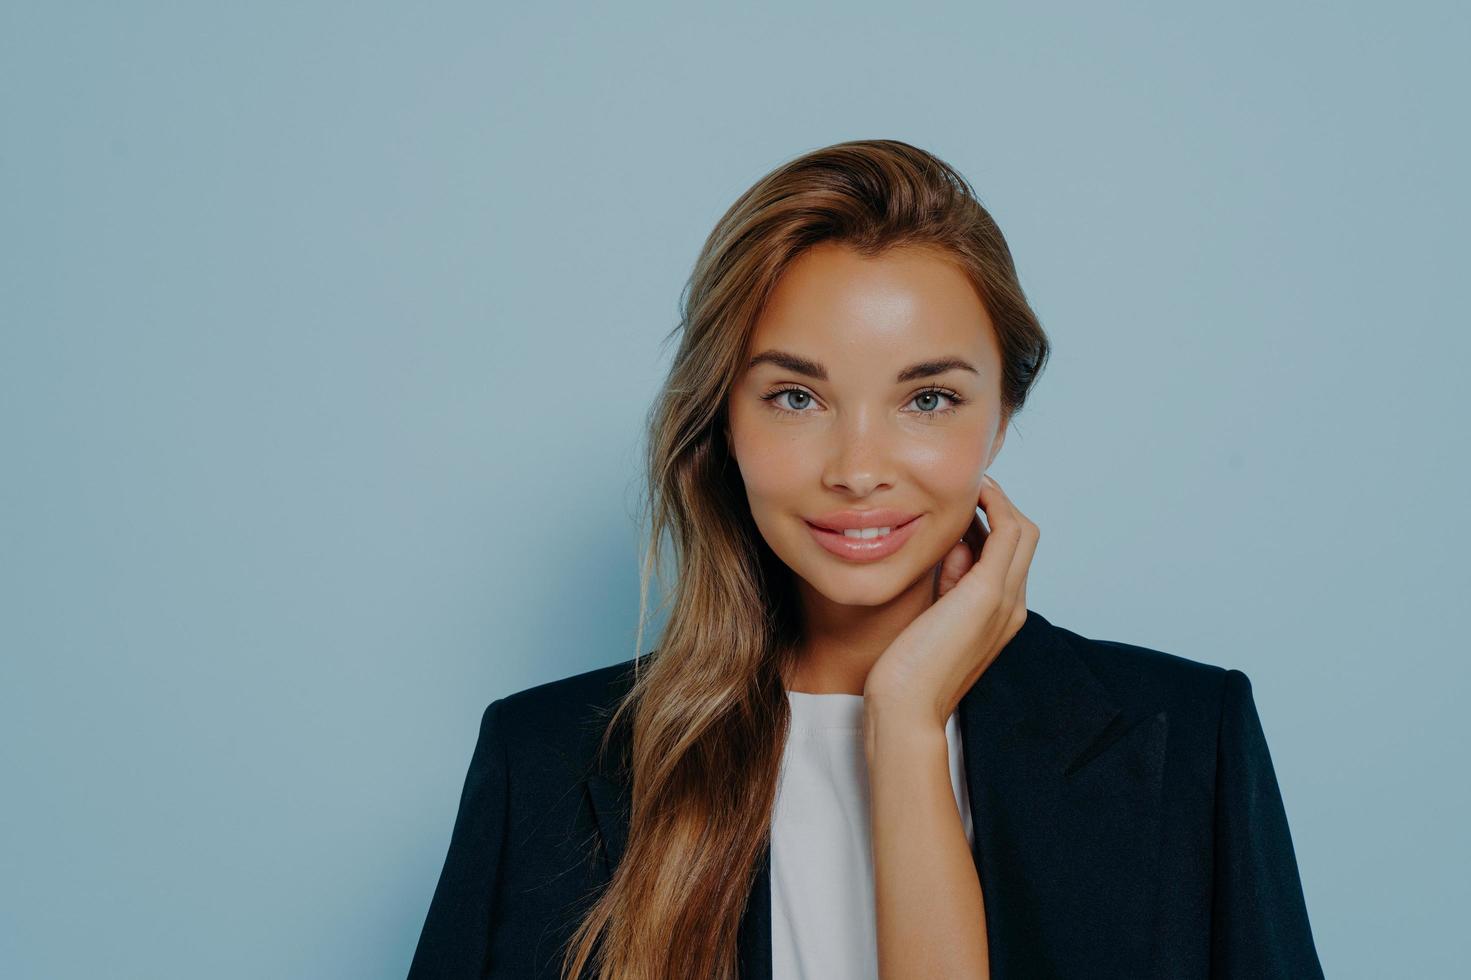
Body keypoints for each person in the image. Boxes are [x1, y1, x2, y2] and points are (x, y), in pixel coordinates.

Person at [407, 140, 1324, 979]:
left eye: (927, 398)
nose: (856, 470)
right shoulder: (547, 761)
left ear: (1000, 414)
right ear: (723, 419)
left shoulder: (1186, 740)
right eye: (796, 396)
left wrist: (907, 721)